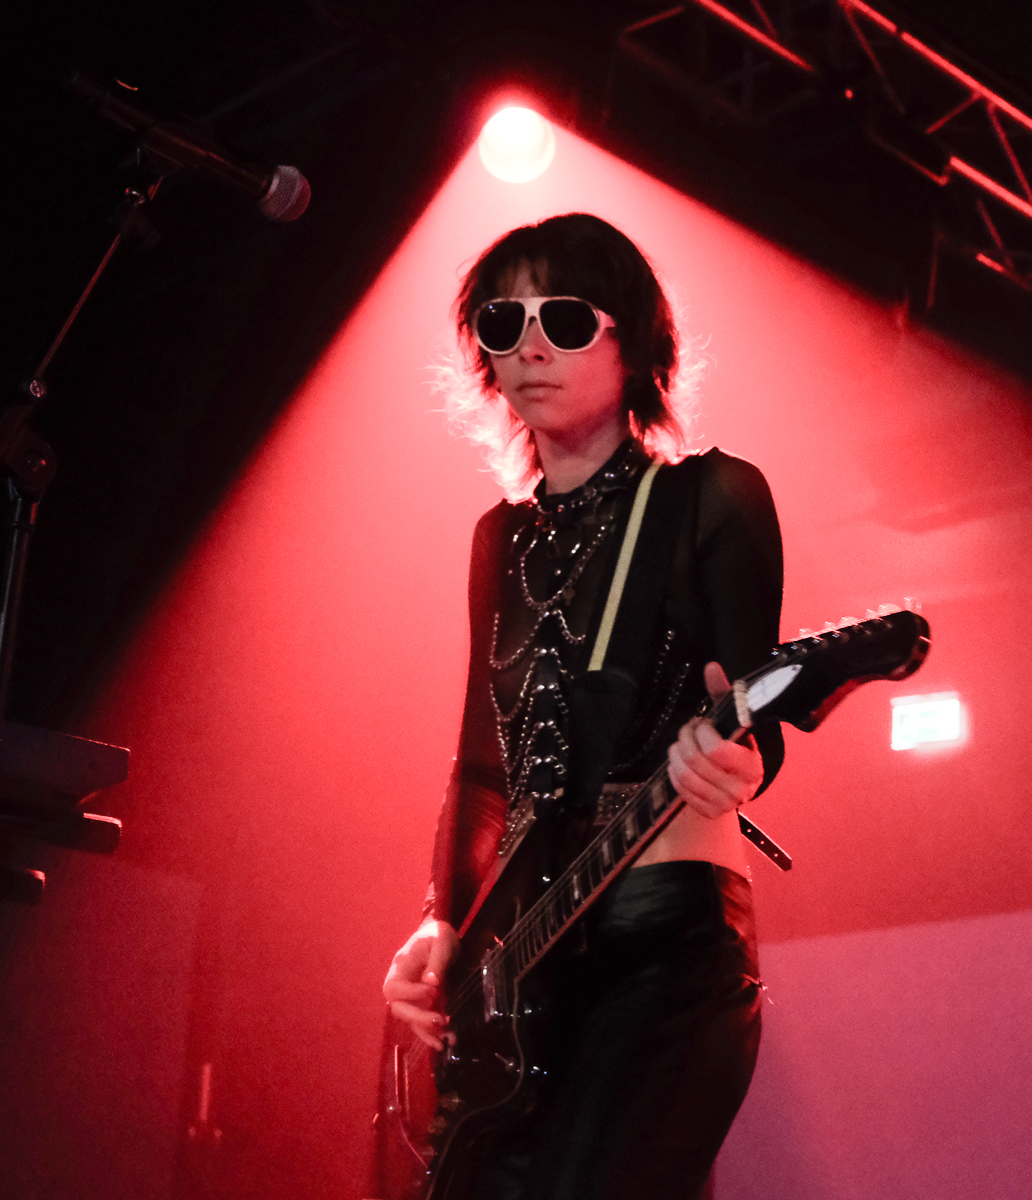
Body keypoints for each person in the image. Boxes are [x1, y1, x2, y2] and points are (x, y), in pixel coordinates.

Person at [381, 213, 784, 1200]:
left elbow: (758, 712)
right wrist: (445, 924)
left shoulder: (712, 498)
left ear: (632, 343)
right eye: (501, 322)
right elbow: (486, 762)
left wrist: (743, 759)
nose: (528, 347)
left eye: (562, 319)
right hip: (526, 950)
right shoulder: (497, 538)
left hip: (666, 937)